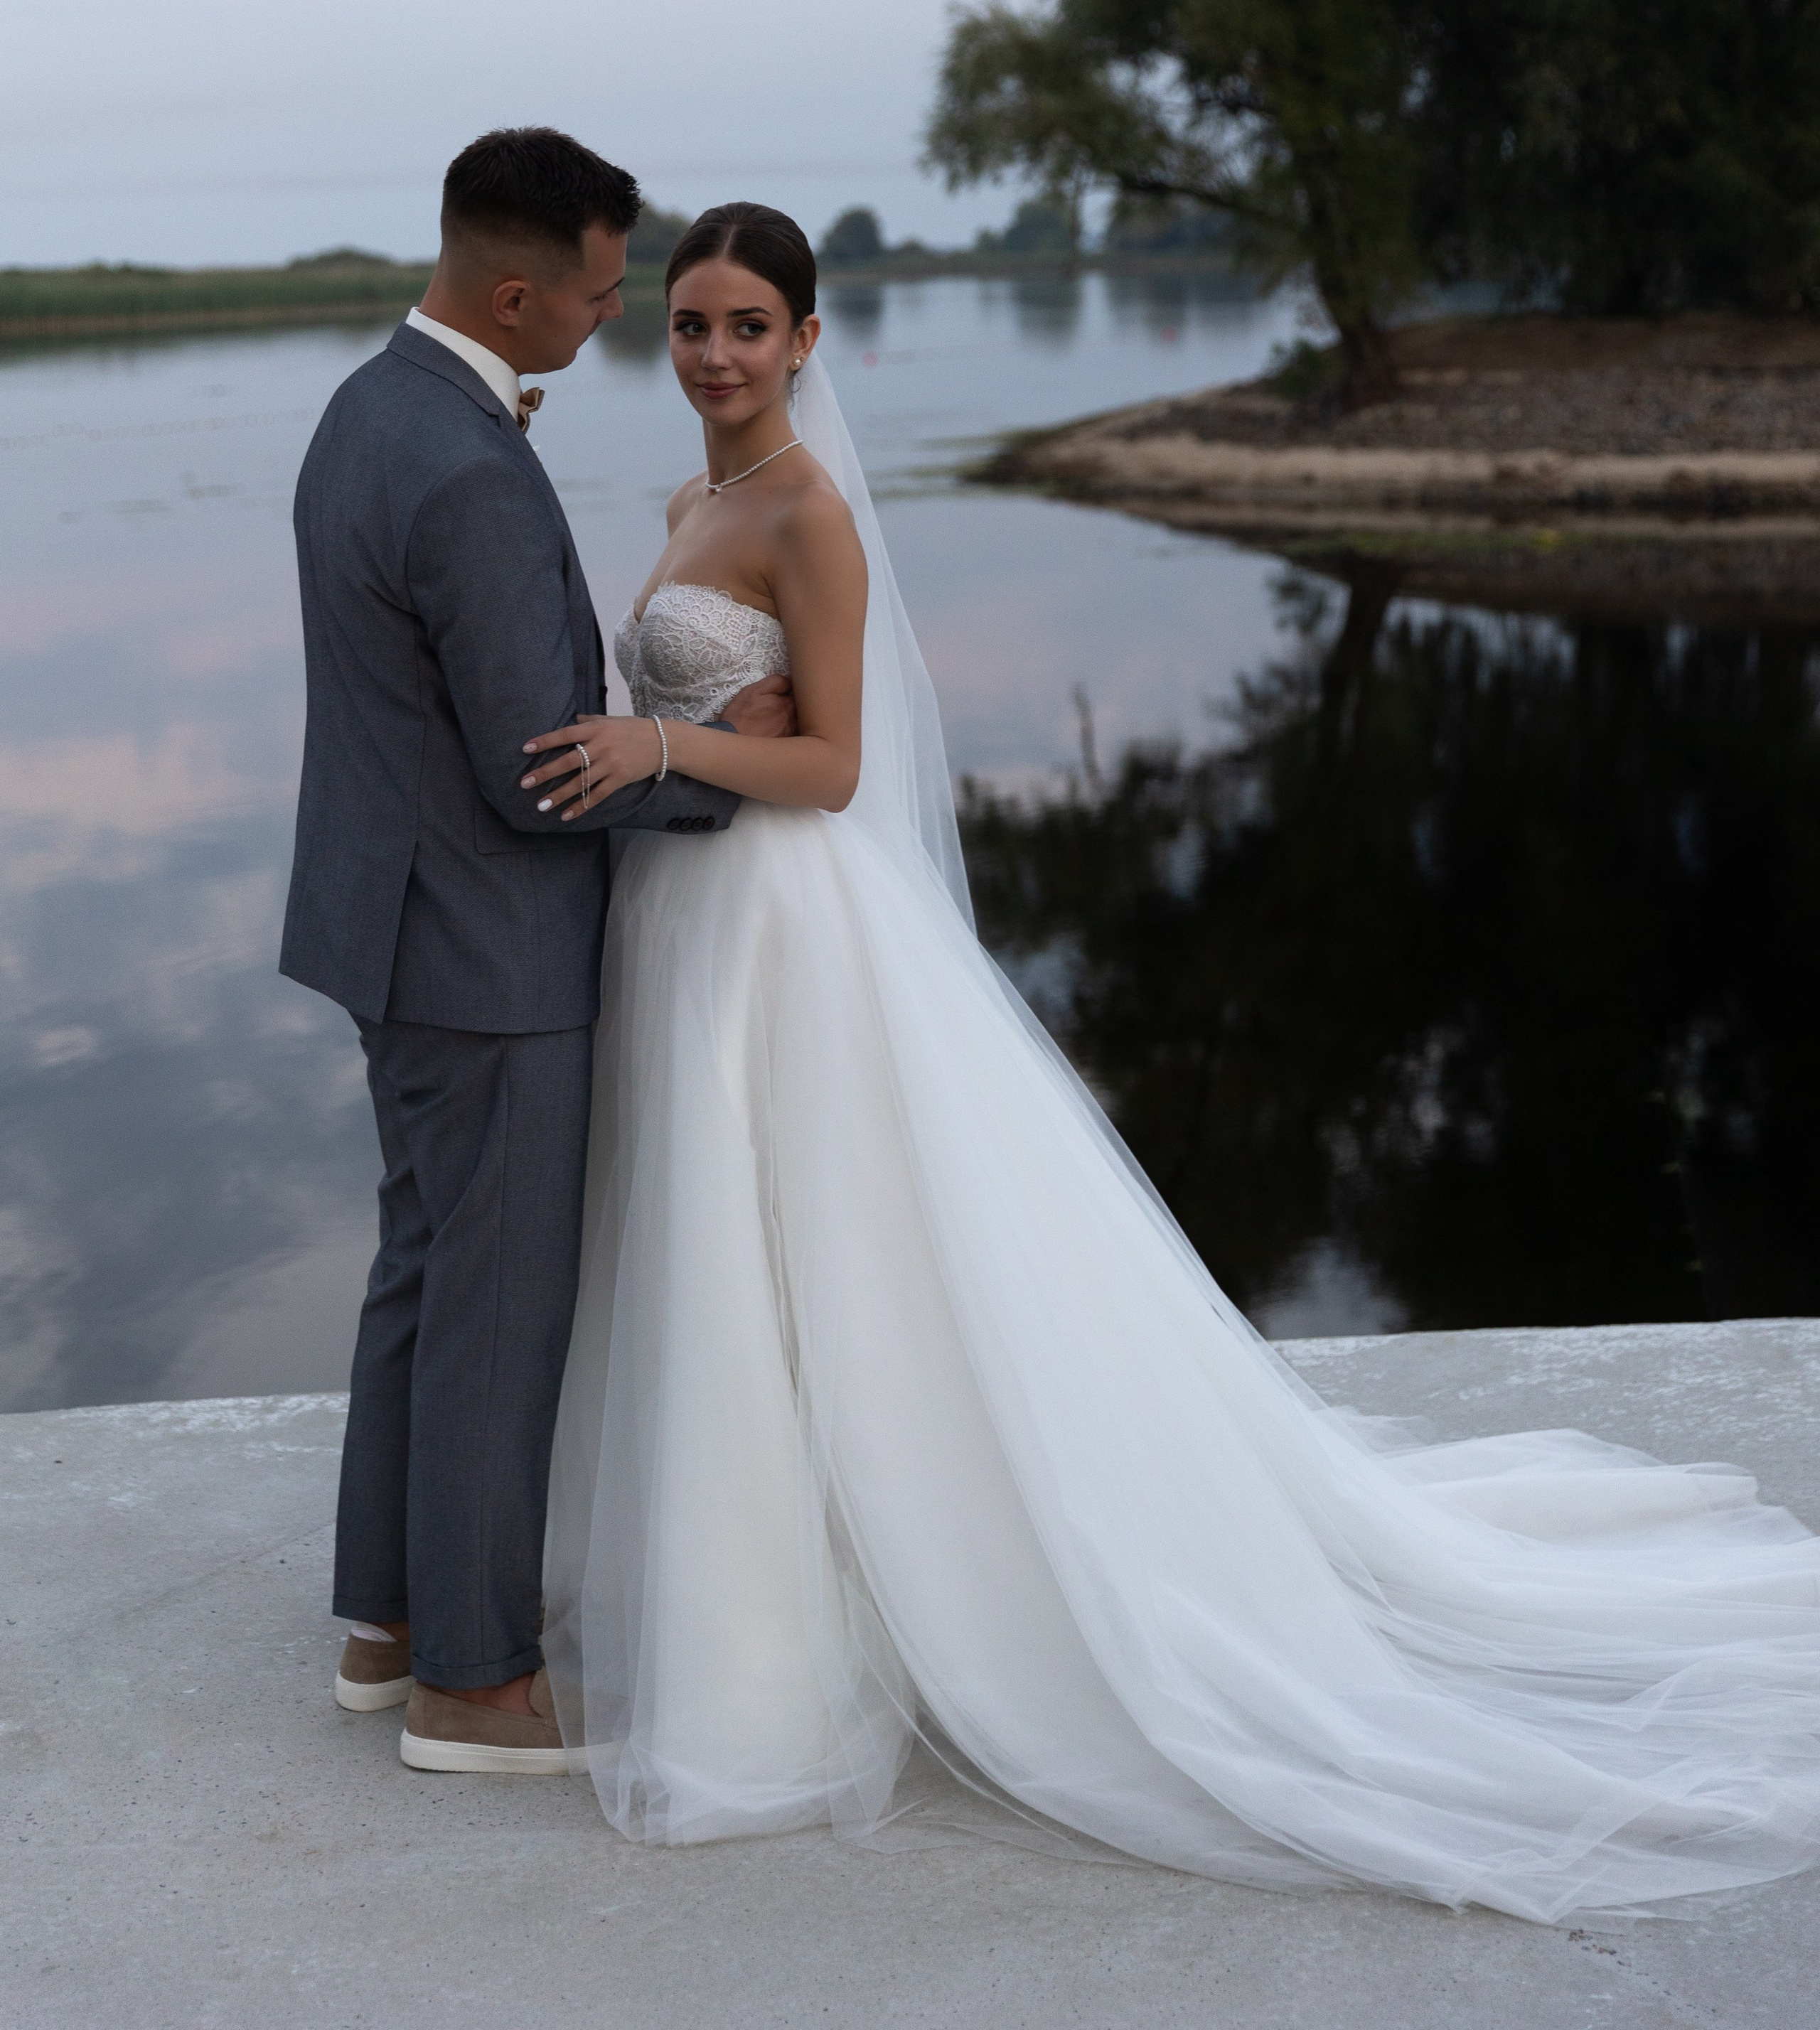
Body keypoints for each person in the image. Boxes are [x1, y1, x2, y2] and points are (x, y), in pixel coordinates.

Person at [525, 200, 1820, 1920]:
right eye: (689, 323)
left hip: (786, 924)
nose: (712, 353)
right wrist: (688, 739)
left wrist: (663, 740)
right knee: (733, 1260)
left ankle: (842, 1627)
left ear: (807, 342)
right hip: (692, 918)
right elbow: (738, 729)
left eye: (747, 325)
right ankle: (763, 1597)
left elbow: (833, 767)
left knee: (832, 1256)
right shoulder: (692, 502)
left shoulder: (809, 513)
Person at [280, 130, 793, 1773]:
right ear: (515, 296)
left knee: (422, 1273)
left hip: (388, 925)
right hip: (488, 950)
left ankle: (392, 1623)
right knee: (496, 1308)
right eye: (598, 292)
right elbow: (540, 774)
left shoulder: (366, 409)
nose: (613, 316)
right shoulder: (470, 470)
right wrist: (718, 771)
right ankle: (476, 1683)